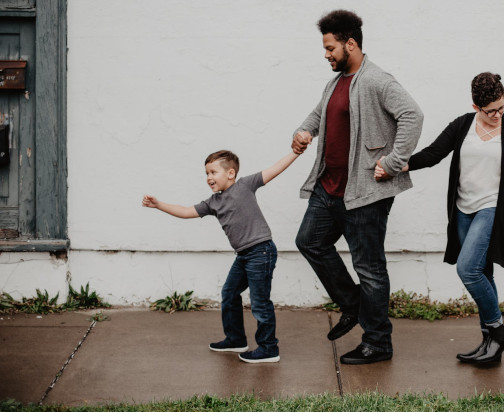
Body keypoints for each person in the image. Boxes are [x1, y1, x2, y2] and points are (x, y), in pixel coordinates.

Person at [375, 72, 504, 364]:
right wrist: (397, 166)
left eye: (502, 107)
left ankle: (499, 332)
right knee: (483, 273)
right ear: (476, 107)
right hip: (463, 210)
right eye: (491, 111)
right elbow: (434, 153)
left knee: (468, 270)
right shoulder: (463, 125)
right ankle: (490, 346)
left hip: (494, 209)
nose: (498, 115)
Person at [291, 9, 423, 365]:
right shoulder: (335, 82)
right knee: (309, 242)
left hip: (364, 193)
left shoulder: (378, 80)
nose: (326, 54)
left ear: (351, 44)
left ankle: (378, 342)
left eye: (330, 47)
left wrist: (393, 162)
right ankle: (352, 306)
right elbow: (319, 114)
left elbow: (413, 115)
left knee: (369, 268)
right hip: (328, 188)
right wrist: (303, 132)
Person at [142, 149, 300, 363]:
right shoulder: (213, 202)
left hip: (261, 251)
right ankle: (235, 339)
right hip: (243, 255)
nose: (209, 178)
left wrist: (296, 152)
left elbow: (275, 169)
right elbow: (187, 211)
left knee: (260, 302)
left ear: (231, 173)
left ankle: (269, 348)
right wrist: (158, 205)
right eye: (206, 173)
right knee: (229, 292)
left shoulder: (245, 185)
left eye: (213, 172)